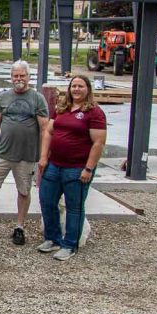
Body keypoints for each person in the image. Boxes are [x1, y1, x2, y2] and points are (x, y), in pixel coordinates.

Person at [0, 60, 49, 245]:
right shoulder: (3, 98)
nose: (19, 79)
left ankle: (20, 226)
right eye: (15, 76)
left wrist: (44, 156)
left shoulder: (37, 99)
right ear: (11, 77)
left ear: (28, 77)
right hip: (3, 153)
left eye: (22, 75)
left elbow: (45, 129)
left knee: (23, 191)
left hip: (27, 156)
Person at [38, 75, 106, 261]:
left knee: (74, 207)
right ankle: (52, 238)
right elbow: (49, 133)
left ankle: (70, 245)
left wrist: (89, 168)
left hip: (77, 168)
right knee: (47, 201)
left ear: (88, 89)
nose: (76, 89)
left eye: (80, 86)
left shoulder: (94, 112)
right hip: (54, 165)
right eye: (73, 86)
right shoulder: (62, 108)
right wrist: (44, 157)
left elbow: (98, 143)